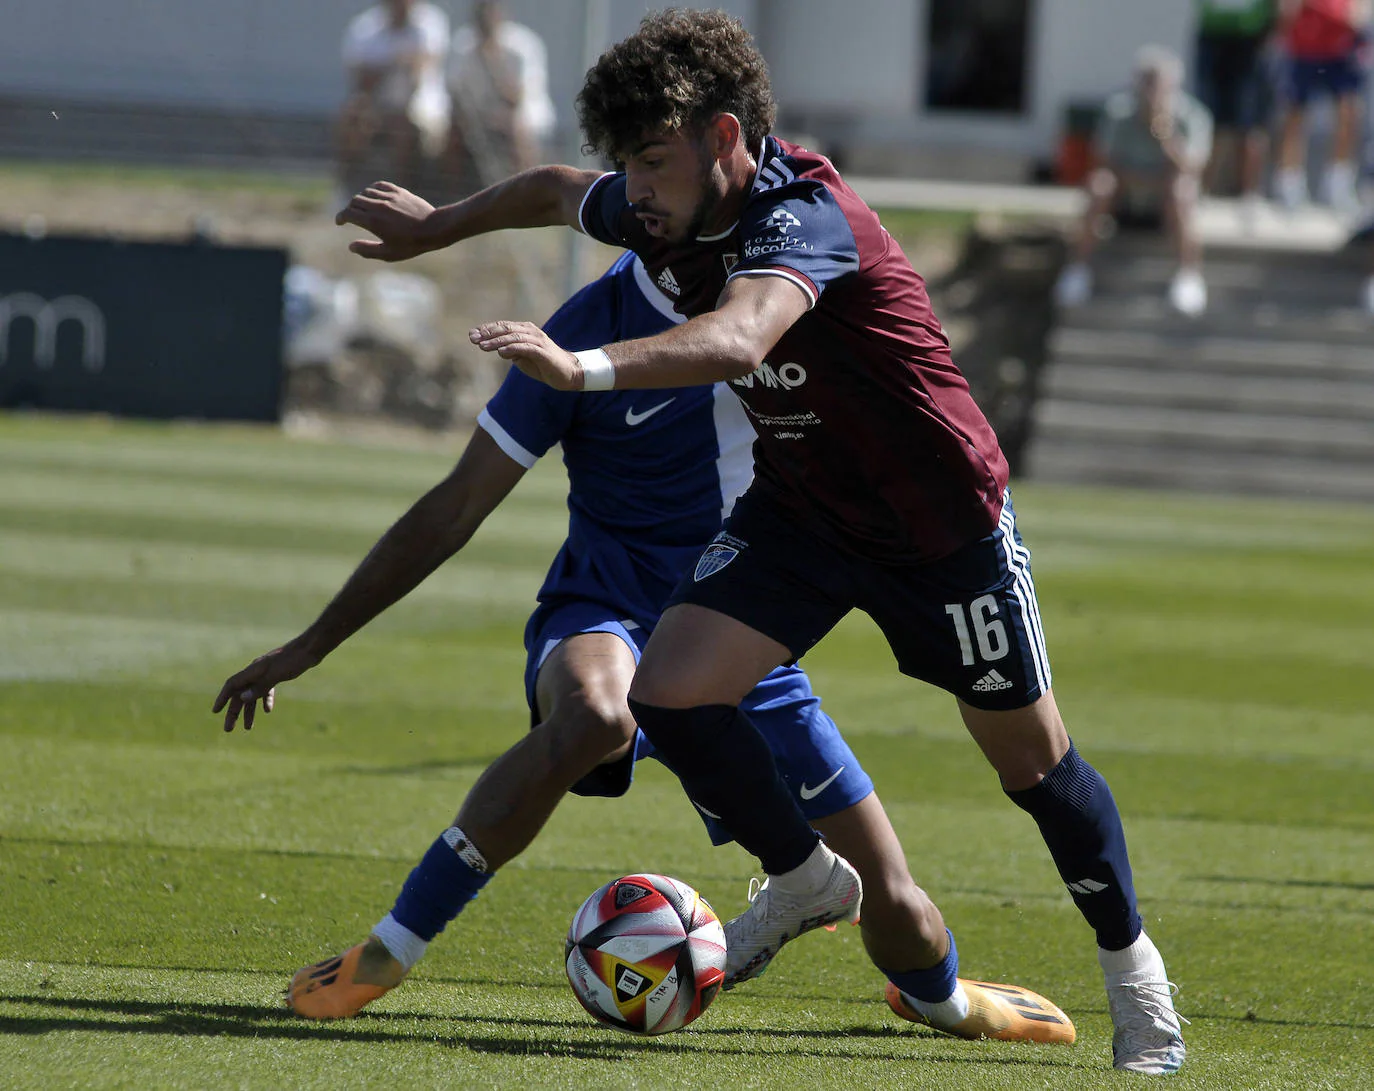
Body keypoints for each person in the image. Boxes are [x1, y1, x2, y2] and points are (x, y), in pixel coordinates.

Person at [328, 9, 1186, 1074]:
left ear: (726, 140)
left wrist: (582, 366)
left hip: (941, 524)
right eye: (628, 165)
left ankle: (1135, 974)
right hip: (804, 511)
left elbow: (736, 337)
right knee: (668, 693)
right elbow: (554, 189)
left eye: (652, 162)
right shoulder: (661, 202)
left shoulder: (804, 211)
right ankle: (804, 876)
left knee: (1034, 766)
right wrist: (436, 226)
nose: (634, 190)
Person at [214, 253, 1075, 1045]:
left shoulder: (779, 308)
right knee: (599, 712)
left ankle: (945, 997)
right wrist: (314, 642)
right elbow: (455, 506)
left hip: (741, 640)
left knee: (892, 899)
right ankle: (391, 946)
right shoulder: (586, 327)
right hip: (608, 610)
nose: (652, 198)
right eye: (638, 178)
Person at [1056, 45, 1214, 317]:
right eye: (1147, 83)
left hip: (1166, 207)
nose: (1152, 92)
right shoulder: (1119, 112)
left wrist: (1164, 133)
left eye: (1159, 85)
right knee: (1100, 185)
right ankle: (1077, 270)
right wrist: (1149, 179)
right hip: (1125, 202)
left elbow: (1192, 168)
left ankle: (1190, 276)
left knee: (1183, 190)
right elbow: (1104, 163)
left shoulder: (1192, 116)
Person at [338, 0, 451, 192]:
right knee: (350, 122)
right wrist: (396, 62)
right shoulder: (366, 26)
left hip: (421, 108)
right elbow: (360, 78)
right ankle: (346, 190)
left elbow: (422, 67)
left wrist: (387, 65)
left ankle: (401, 195)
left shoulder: (431, 21)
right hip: (377, 107)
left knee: (402, 129)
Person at [1273, 0, 1371, 212]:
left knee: (1349, 114)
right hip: (1303, 50)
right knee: (1294, 118)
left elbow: (1359, 14)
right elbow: (1286, 11)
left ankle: (1338, 186)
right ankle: (1289, 186)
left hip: (1341, 52)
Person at [447, 0, 556, 180]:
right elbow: (454, 91)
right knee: (452, 134)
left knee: (515, 128)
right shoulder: (464, 46)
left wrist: (492, 62)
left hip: (522, 115)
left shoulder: (522, 46)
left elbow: (516, 98)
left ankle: (525, 185)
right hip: (478, 116)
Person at [1194, 0, 1277, 207]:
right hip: (1213, 36)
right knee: (1208, 119)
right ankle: (1202, 191)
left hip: (1252, 39)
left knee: (1251, 123)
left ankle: (1249, 194)